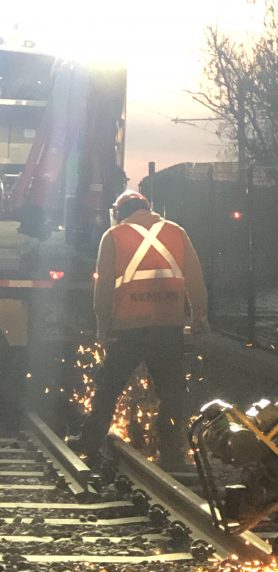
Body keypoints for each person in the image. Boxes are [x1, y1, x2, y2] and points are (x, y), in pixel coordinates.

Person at [69, 190, 208, 468]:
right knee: (171, 392)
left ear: (120, 213)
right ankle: (171, 452)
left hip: (128, 329)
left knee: (108, 387)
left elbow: (104, 288)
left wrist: (102, 326)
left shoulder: (113, 237)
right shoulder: (176, 232)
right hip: (169, 327)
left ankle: (90, 440)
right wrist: (199, 317)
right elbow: (195, 278)